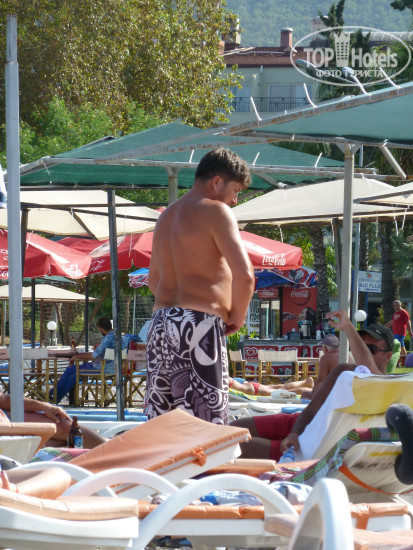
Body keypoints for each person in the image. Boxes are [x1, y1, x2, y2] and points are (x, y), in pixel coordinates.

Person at [146, 148, 255, 425]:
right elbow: (245, 275)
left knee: (163, 426)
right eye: (235, 190)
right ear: (217, 182)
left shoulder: (165, 217)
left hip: (160, 324)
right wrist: (236, 316)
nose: (235, 200)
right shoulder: (216, 211)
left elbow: (153, 281)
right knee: (205, 425)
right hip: (198, 324)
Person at [231, 311, 394, 460]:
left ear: (388, 356)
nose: (361, 352)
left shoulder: (392, 387)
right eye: (359, 345)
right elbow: (311, 409)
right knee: (232, 429)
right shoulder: (344, 371)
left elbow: (372, 375)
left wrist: (349, 328)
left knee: (232, 446)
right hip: (302, 423)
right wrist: (294, 433)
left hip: (314, 445)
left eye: (370, 348)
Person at [52, 317, 126, 405]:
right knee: (71, 369)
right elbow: (98, 354)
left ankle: (54, 398)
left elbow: (93, 355)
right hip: (115, 368)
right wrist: (80, 355)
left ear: (101, 329)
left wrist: (76, 356)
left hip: (102, 368)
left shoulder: (107, 339)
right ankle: (52, 395)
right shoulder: (120, 338)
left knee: (73, 375)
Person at [0, 393, 105, 448]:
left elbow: (3, 400)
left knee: (66, 428)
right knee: (52, 443)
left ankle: (110, 448)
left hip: (6, 419)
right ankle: (109, 449)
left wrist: (44, 406)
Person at [385, 300, 412, 366]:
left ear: (399, 305)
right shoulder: (395, 313)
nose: (394, 306)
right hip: (395, 333)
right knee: (402, 347)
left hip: (400, 333)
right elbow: (392, 322)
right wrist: (384, 327)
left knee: (395, 346)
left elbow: (408, 322)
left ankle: (396, 363)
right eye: (394, 305)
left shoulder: (403, 312)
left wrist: (410, 331)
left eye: (395, 305)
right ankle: (404, 362)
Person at [228, 376, 314, 397]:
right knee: (281, 387)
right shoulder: (225, 378)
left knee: (284, 392)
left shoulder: (224, 379)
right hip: (252, 387)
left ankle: (311, 390)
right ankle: (305, 383)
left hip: (254, 390)